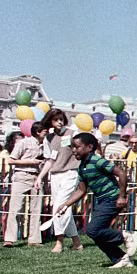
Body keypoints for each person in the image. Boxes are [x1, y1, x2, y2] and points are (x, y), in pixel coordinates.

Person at [56, 133, 137, 268]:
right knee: (96, 233)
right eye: (72, 147)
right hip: (102, 201)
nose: (73, 150)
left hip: (112, 198)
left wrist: (122, 196)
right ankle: (121, 259)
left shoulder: (97, 160)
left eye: (77, 147)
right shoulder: (82, 168)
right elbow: (81, 191)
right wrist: (66, 205)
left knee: (92, 230)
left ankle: (126, 236)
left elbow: (122, 173)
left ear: (89, 147)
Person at [36, 108, 84, 253]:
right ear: (50, 121)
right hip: (55, 175)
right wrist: (39, 177)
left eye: (61, 119)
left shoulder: (72, 133)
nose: (59, 122)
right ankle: (76, 242)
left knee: (60, 206)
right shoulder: (48, 139)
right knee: (64, 208)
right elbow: (49, 160)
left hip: (71, 173)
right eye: (56, 119)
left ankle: (59, 241)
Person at [3, 126, 44, 247]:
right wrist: (31, 162)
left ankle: (34, 239)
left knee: (36, 210)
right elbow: (11, 160)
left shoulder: (45, 145)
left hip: (37, 177)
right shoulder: (23, 142)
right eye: (45, 131)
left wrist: (44, 183)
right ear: (38, 132)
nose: (47, 134)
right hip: (21, 176)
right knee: (15, 208)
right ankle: (9, 239)